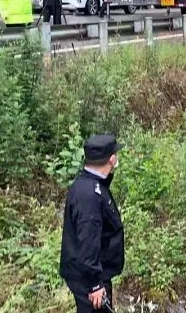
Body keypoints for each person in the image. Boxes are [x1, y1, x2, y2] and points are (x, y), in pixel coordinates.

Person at [60, 134, 124, 312]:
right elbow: (88, 240)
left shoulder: (89, 184)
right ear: (111, 160)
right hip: (88, 276)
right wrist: (95, 284)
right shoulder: (89, 195)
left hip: (91, 272)